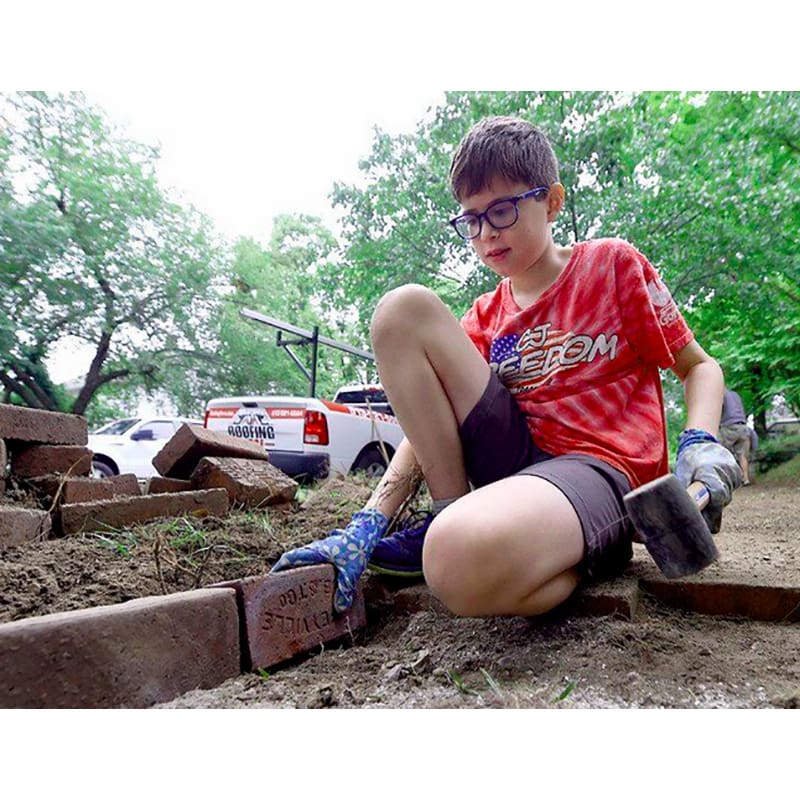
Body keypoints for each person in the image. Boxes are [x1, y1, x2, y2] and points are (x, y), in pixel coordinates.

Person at [272, 116, 741, 616]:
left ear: (552, 201)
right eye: (471, 220)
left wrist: (699, 441)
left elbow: (699, 367)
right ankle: (450, 516)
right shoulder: (485, 316)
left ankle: (570, 545)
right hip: (513, 464)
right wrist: (368, 522)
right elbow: (428, 429)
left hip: (598, 468)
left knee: (455, 562)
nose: (486, 234)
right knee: (401, 311)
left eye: (501, 211)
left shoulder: (611, 266)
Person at [718, 387, 752, 485]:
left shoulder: (720, 394)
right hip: (743, 427)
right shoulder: (735, 395)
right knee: (742, 455)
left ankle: (725, 479)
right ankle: (745, 479)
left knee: (720, 451)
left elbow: (718, 410)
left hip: (729, 427)